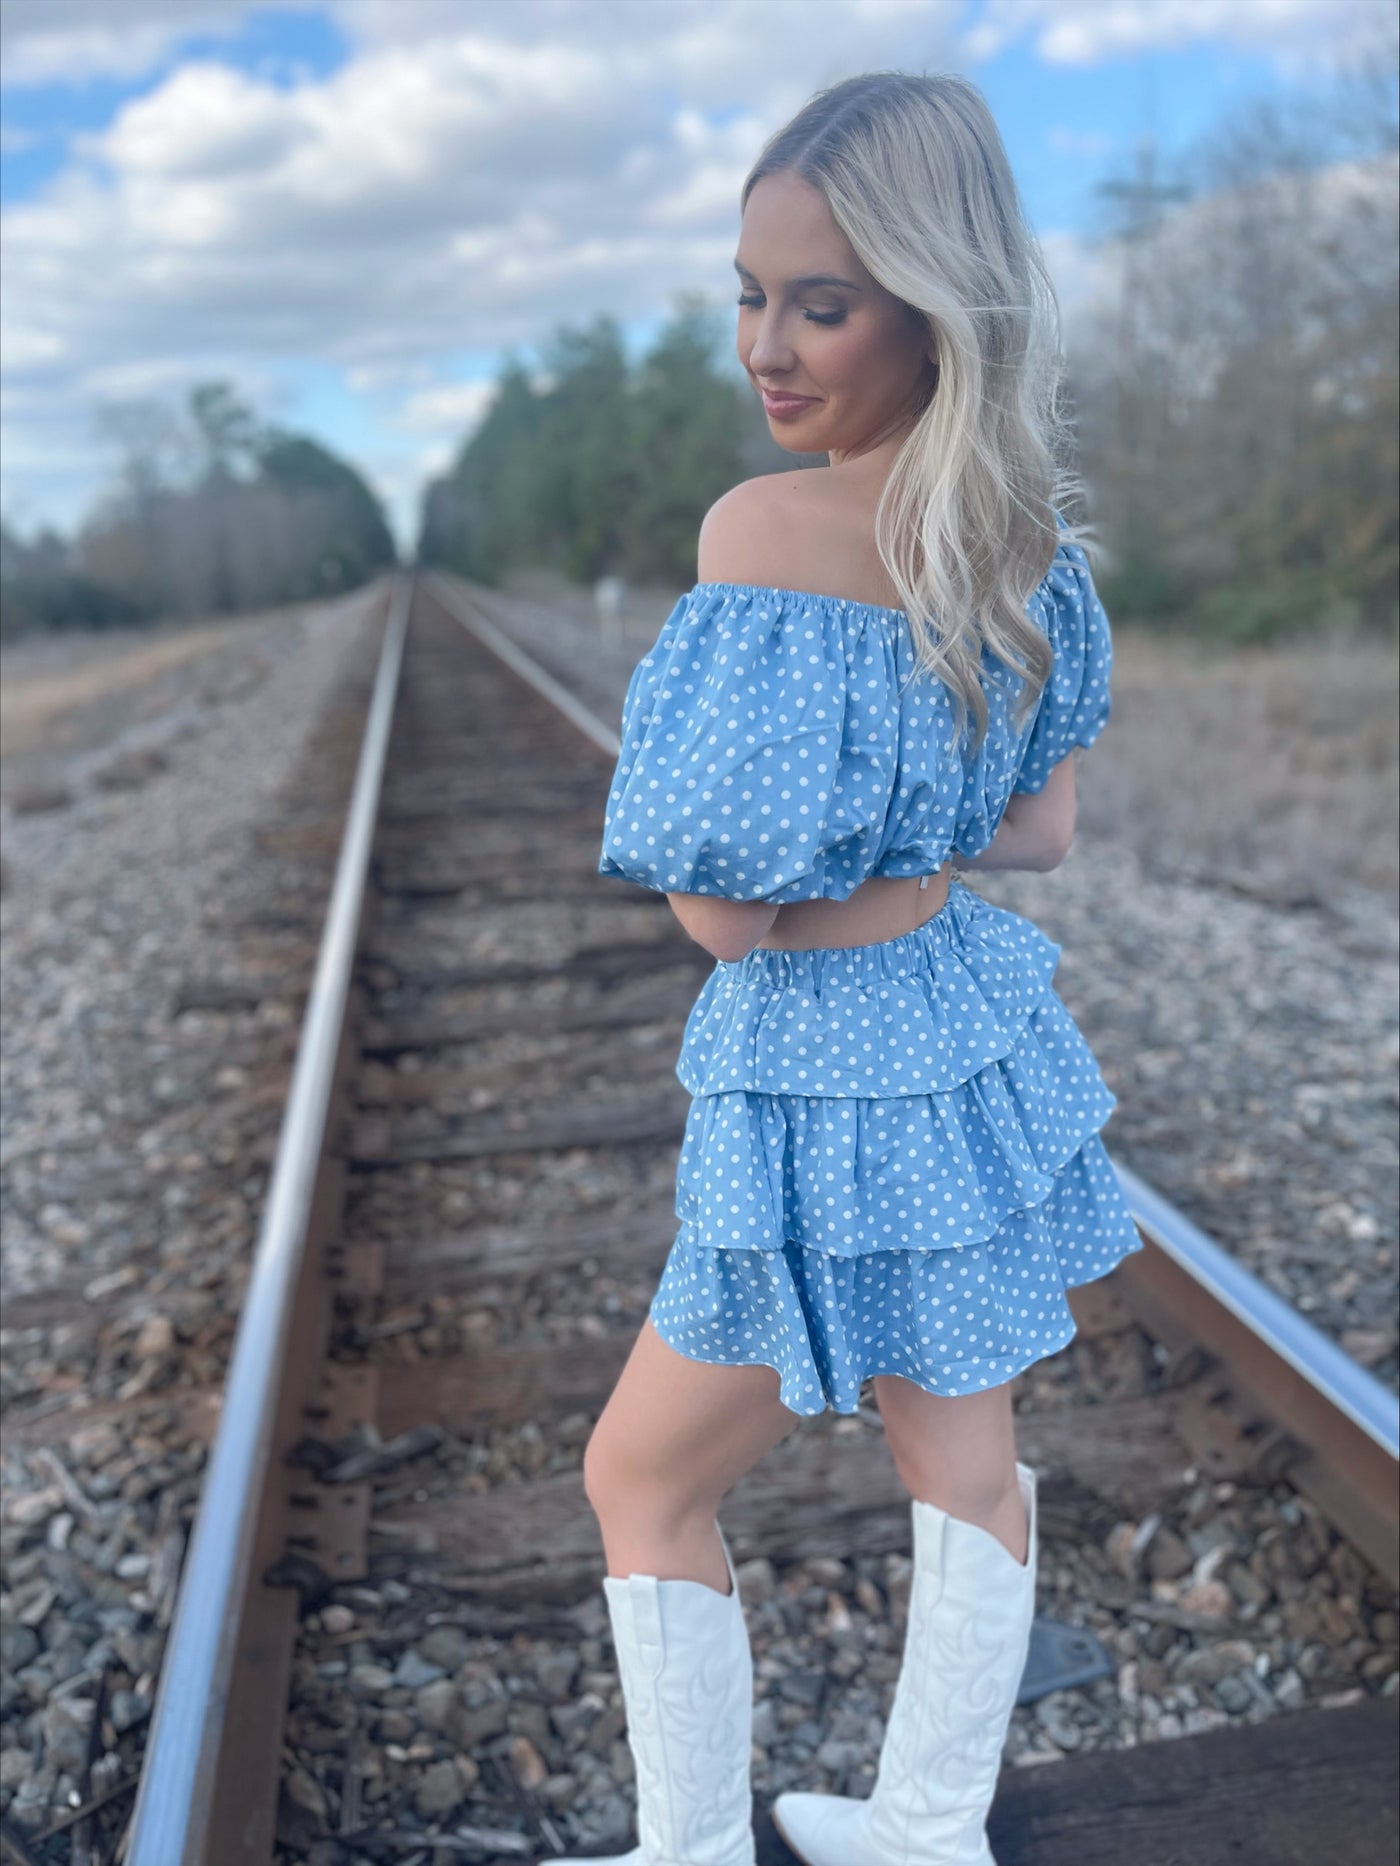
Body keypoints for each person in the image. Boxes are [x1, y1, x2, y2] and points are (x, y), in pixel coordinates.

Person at [558, 70, 1144, 1866]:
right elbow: (1039, 836)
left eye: (821, 301)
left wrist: (806, 842)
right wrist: (910, 833)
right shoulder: (1026, 543)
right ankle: (926, 1826)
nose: (769, 344)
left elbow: (720, 912)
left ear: (933, 303)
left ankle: (691, 1850)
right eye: (749, 293)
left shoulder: (761, 541)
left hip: (814, 1067)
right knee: (961, 1464)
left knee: (641, 1475)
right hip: (957, 1038)